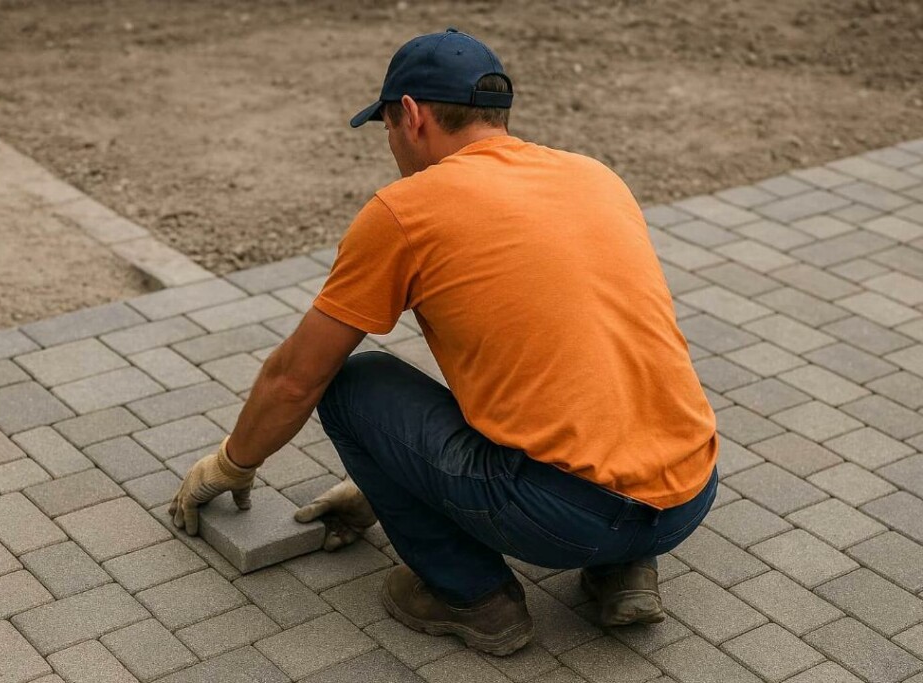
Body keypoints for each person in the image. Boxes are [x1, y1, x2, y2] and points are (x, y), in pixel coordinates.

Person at [170, 27, 718, 657]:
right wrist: (394, 486)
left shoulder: (407, 210)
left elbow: (296, 377)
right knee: (588, 370)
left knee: (352, 383)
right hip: (688, 496)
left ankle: (474, 598)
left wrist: (230, 464)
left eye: (386, 127)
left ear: (411, 114)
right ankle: (624, 571)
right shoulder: (593, 175)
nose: (391, 145)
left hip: (564, 519)